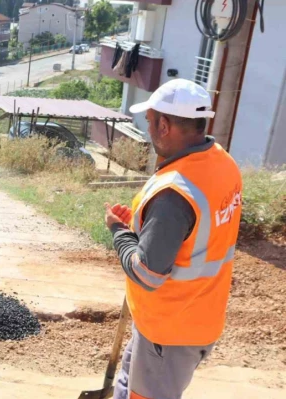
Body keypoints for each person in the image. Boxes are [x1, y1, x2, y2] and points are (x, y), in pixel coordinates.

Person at [104, 79, 243, 399]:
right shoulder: (222, 163)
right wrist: (148, 233)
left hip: (169, 332)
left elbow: (147, 273)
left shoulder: (174, 193)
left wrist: (119, 232)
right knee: (127, 384)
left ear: (164, 125)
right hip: (198, 317)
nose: (149, 129)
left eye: (150, 122)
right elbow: (195, 237)